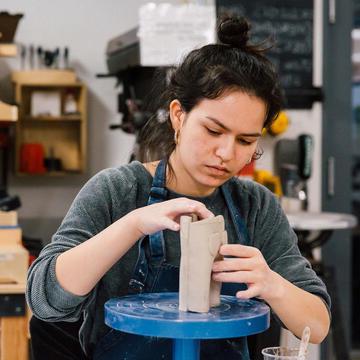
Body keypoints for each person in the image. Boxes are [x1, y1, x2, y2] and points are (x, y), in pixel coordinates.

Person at [26, 16, 330, 360]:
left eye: (246, 140)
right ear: (178, 116)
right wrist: (133, 225)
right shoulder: (117, 190)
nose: (227, 154)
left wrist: (273, 285)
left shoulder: (255, 206)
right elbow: (45, 299)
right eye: (213, 131)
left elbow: (316, 326)